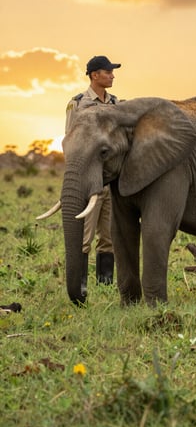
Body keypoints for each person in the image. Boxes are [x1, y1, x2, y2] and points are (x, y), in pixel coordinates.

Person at [65, 55, 121, 294]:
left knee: (108, 236)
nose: (112, 75)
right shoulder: (77, 104)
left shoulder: (116, 104)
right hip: (87, 181)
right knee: (84, 235)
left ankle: (106, 285)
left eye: (112, 72)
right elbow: (70, 140)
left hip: (111, 180)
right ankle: (81, 285)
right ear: (94, 75)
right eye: (108, 71)